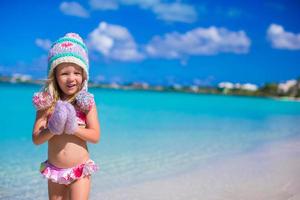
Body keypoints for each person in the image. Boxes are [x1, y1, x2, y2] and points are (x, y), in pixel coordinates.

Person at [32, 33, 100, 200]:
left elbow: (95, 136)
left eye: (77, 72)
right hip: (55, 171)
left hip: (79, 170)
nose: (71, 78)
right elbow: (37, 139)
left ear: (84, 75)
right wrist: (53, 128)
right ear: (54, 75)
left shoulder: (85, 103)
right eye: (64, 73)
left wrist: (73, 128)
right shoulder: (47, 103)